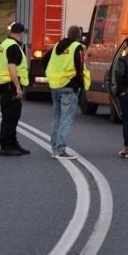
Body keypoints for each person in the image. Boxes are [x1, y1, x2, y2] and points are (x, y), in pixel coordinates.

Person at [44, 25, 90, 160]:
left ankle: (54, 147)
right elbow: (79, 66)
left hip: (55, 85)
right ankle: (60, 150)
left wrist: (52, 73)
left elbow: (45, 60)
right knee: (66, 119)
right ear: (79, 36)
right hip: (69, 87)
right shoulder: (77, 47)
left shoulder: (57, 45)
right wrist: (79, 83)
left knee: (57, 118)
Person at [0, 21, 30, 156]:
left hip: (5, 83)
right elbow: (12, 67)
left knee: (13, 115)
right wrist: (17, 87)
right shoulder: (13, 47)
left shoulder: (5, 43)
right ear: (20, 33)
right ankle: (6, 145)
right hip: (11, 84)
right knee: (10, 116)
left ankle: (13, 143)